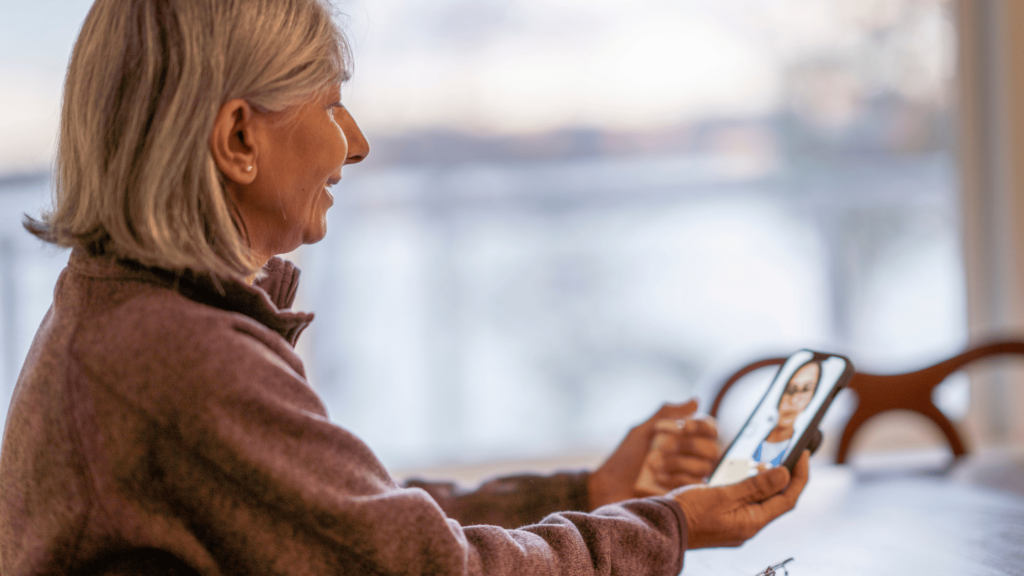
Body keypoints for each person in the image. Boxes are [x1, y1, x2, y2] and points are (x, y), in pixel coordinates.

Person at [0, 1, 809, 575]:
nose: (355, 144)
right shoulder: (174, 356)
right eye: (333, 106)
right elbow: (426, 569)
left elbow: (359, 523)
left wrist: (587, 493)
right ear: (239, 138)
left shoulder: (127, 313)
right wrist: (668, 528)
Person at [753, 360, 821, 467]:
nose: (793, 400)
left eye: (805, 390)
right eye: (790, 389)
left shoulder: (801, 444)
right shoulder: (753, 437)